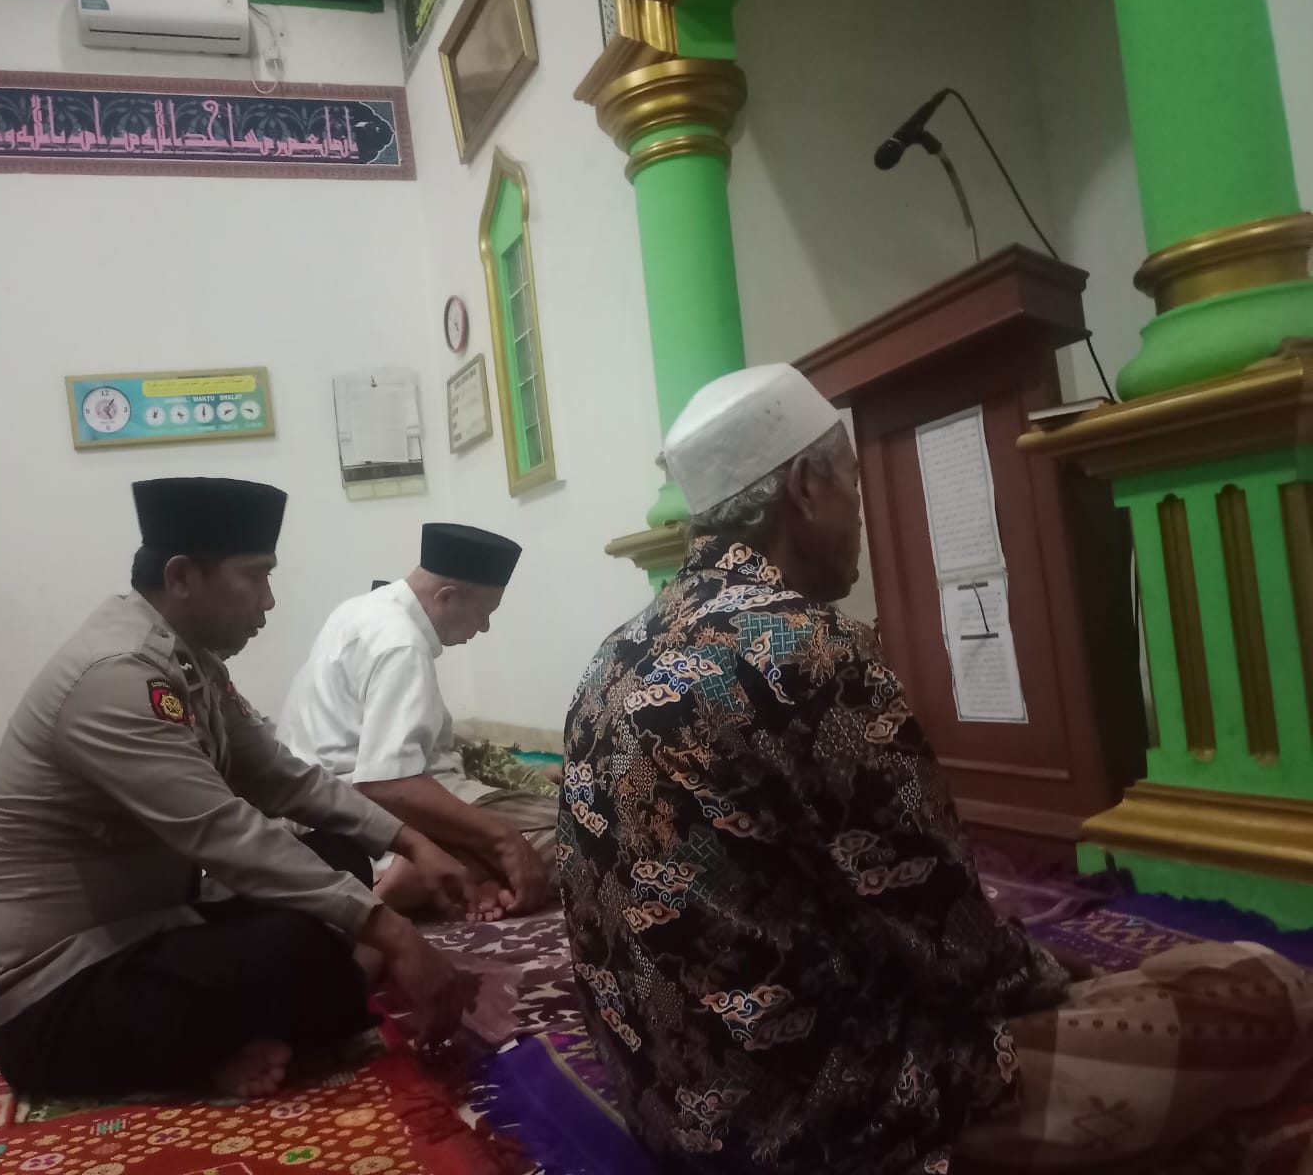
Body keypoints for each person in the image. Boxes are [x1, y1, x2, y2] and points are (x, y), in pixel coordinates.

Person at [557, 364, 1313, 1174]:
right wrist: (1053, 975)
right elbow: (953, 949)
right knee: (1262, 990)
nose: (859, 511)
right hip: (819, 1119)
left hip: (664, 1105)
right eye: (850, 481)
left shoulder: (614, 654)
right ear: (805, 486)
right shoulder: (807, 649)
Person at [0, 477, 477, 1102]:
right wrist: (389, 930)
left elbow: (280, 774)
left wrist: (410, 841)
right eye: (255, 576)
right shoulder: (116, 677)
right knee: (294, 946)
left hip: (146, 929)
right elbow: (224, 833)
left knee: (337, 854)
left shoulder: (188, 661)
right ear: (181, 577)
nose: (269, 600)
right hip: (56, 995)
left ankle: (262, 1026)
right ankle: (242, 1036)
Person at [280, 523, 556, 922]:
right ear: (447, 596)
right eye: (483, 612)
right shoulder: (401, 643)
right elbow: (385, 783)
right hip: (367, 817)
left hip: (318, 812)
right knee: (581, 833)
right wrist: (503, 839)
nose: (484, 627)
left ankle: (448, 870)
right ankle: (419, 873)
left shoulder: (358, 610)